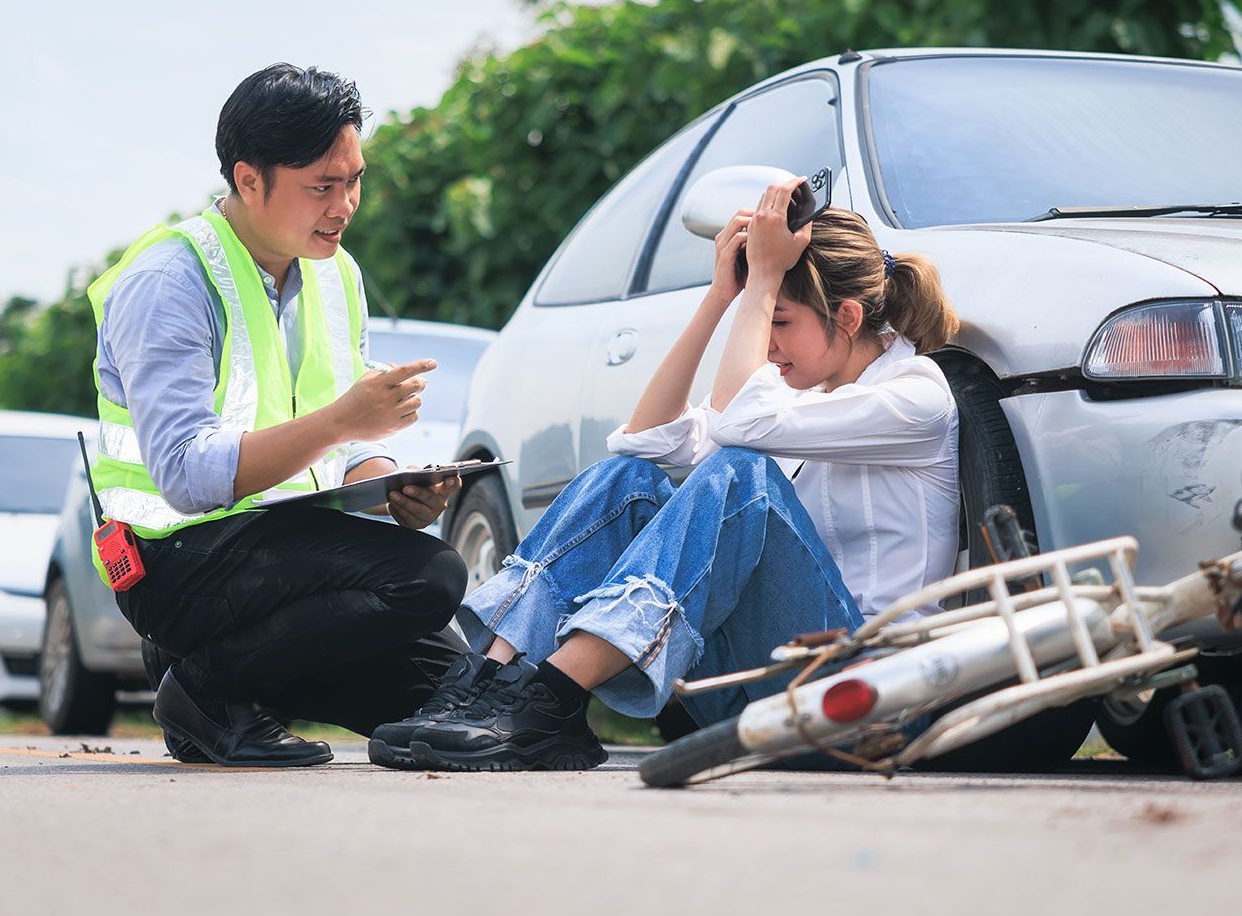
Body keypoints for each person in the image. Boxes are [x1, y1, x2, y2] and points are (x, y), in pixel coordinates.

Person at [369, 179, 962, 771]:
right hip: (766, 686)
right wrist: (719, 297)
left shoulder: (915, 397)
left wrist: (761, 282)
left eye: (780, 322)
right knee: (624, 478)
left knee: (739, 473)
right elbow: (645, 440)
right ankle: (492, 683)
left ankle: (550, 698)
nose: (768, 346)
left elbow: (740, 429)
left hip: (866, 700)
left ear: (849, 316)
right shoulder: (792, 403)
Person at [89, 63, 467, 768]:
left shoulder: (336, 273)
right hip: (173, 558)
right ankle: (204, 686)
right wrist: (342, 422)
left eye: (353, 180)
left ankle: (221, 694)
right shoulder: (169, 281)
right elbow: (184, 475)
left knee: (456, 696)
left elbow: (350, 446)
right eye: (322, 186)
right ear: (249, 179)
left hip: (283, 551)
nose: (344, 204)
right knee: (430, 576)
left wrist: (392, 486)